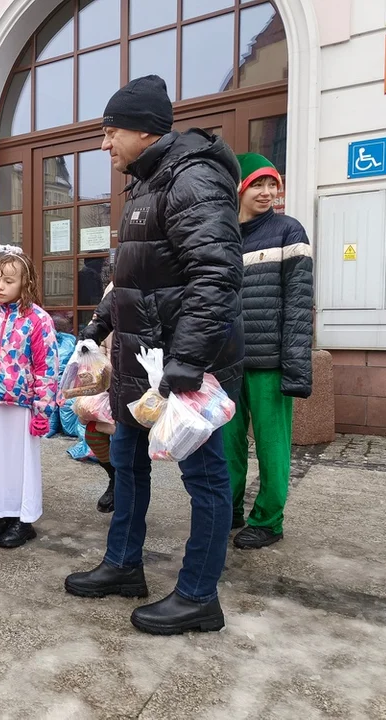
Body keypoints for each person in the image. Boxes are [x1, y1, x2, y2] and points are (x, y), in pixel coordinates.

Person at [64, 75, 244, 636]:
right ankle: (123, 565)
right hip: (138, 368)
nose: (103, 144)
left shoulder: (193, 178)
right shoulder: (146, 183)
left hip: (183, 368)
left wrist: (187, 362)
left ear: (143, 130)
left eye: (110, 131)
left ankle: (198, 596)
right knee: (126, 462)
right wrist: (98, 323)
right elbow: (135, 277)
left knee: (205, 479)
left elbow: (215, 275)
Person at [225, 153, 313, 550]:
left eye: (272, 184)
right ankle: (228, 508)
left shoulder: (288, 231)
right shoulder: (224, 235)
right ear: (240, 188)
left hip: (270, 364)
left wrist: (296, 367)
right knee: (226, 443)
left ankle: (268, 519)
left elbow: (298, 305)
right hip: (227, 361)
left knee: (273, 445)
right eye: (258, 184)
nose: (267, 192)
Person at [0, 246, 60, 547]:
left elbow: (47, 366)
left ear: (26, 282)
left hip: (22, 403)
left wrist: (42, 411)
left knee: (20, 462)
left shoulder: (37, 320)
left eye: (9, 281)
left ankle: (23, 519)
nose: (0, 286)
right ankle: (4, 512)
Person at [80, 261, 116, 514]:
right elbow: (101, 342)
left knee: (130, 444)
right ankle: (115, 478)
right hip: (111, 384)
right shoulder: (113, 290)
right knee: (93, 432)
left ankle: (126, 487)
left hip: (144, 387)